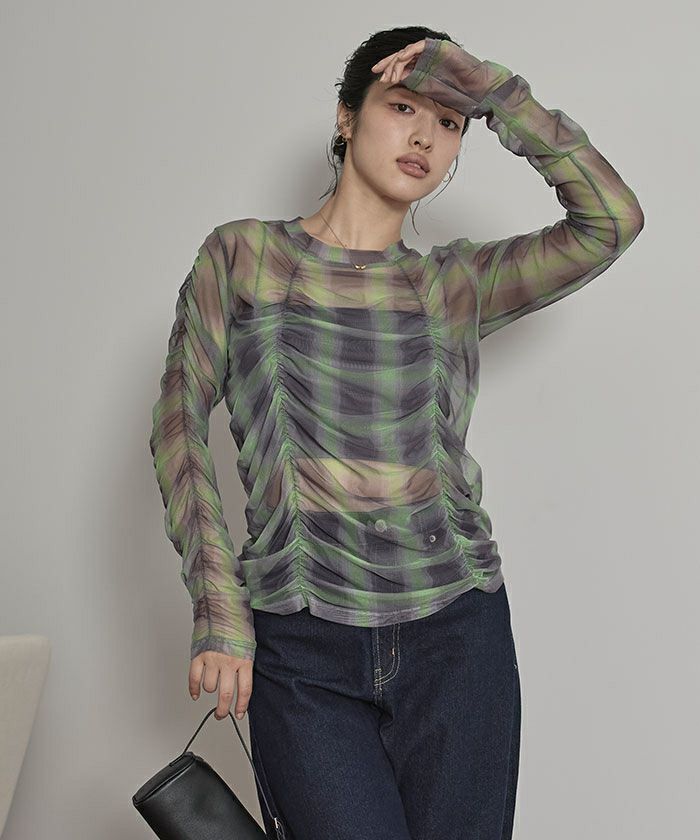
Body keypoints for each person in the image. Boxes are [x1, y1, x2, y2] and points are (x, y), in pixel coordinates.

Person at [148, 24, 644, 840]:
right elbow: (177, 426)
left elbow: (611, 221)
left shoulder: (455, 283)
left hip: (458, 639)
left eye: (449, 122)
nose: (424, 137)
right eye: (403, 107)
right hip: (302, 648)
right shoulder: (243, 259)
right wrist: (218, 605)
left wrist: (495, 94)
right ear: (347, 117)